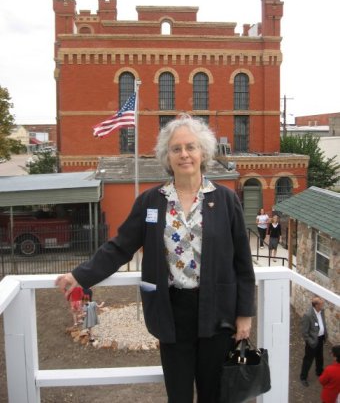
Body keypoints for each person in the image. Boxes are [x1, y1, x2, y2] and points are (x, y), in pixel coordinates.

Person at [55, 114, 256, 403]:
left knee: (214, 393)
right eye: (176, 149)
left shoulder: (225, 199)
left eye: (190, 147)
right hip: (171, 311)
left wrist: (244, 314)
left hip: (218, 311)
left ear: (203, 152)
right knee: (178, 394)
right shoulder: (152, 201)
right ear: (167, 156)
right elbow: (121, 246)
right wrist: (79, 275)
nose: (184, 154)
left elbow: (242, 262)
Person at [300, 296, 328, 387]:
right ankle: (303, 377)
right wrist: (310, 341)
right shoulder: (308, 315)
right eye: (321, 304)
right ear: (316, 305)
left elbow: (322, 323)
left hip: (320, 339)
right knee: (308, 360)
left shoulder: (321, 312)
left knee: (320, 357)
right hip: (312, 341)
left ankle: (319, 372)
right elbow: (304, 332)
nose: (323, 305)